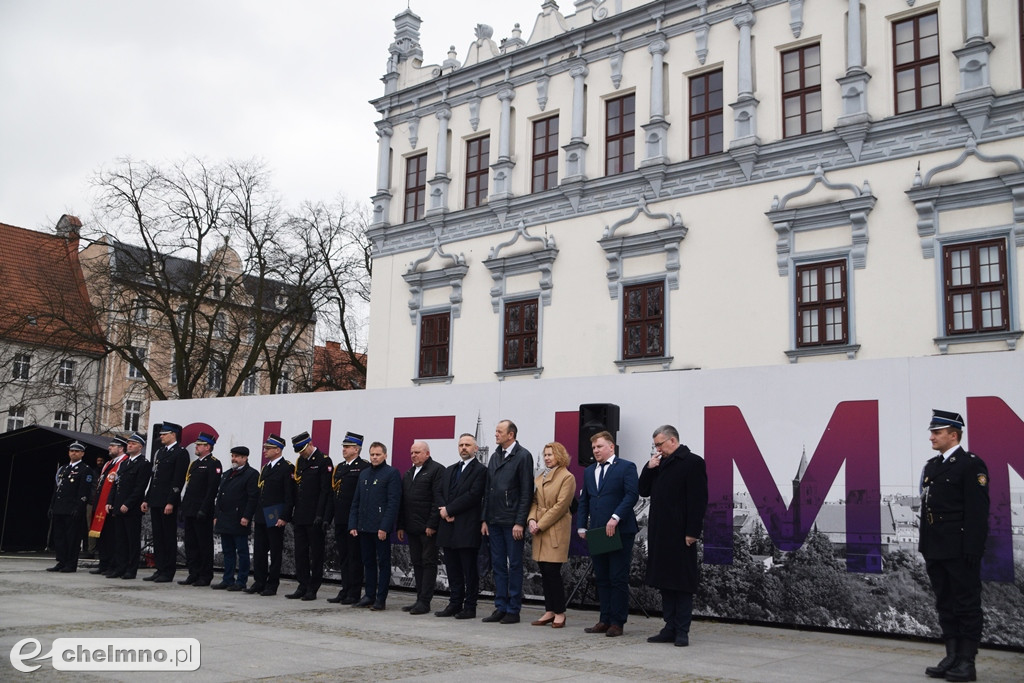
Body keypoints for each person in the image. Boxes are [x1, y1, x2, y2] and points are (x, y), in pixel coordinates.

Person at [919, 409, 989, 682]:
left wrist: (973, 548)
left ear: (953, 435)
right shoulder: (931, 467)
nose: (932, 437)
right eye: (932, 432)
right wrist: (925, 546)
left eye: (937, 432)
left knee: (966, 604)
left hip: (960, 549)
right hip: (935, 548)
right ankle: (951, 656)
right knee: (945, 603)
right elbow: (927, 509)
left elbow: (978, 511)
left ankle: (966, 662)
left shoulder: (971, 465)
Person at [638, 424, 708, 647]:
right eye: (655, 446)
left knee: (682, 583)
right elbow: (643, 490)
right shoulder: (658, 464)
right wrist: (648, 468)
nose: (657, 449)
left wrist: (692, 531)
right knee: (665, 582)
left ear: (673, 441)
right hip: (660, 533)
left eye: (659, 444)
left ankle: (682, 630)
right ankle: (669, 627)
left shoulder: (693, 462)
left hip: (681, 533)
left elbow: (698, 500)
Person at [577, 431, 639, 638]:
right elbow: (585, 500)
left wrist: (615, 517)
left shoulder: (626, 467)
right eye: (593, 447)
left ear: (611, 447)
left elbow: (632, 495)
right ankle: (604, 619)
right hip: (597, 531)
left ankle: (617, 622)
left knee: (617, 577)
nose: (596, 451)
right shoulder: (589, 471)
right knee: (602, 577)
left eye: (599, 446)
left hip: (620, 530)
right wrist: (581, 526)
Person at [481, 419, 533, 624]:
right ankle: (500, 606)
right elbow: (488, 491)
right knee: (498, 565)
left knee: (515, 565)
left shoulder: (523, 456)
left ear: (511, 435)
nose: (496, 434)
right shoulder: (495, 456)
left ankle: (513, 609)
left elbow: (526, 492)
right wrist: (485, 519)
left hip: (512, 522)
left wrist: (520, 522)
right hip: (494, 521)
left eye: (499, 431)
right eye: (495, 431)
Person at [436, 433, 486, 619]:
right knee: (452, 569)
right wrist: (444, 510)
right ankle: (454, 603)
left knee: (469, 570)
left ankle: (470, 606)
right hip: (448, 527)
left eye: (467, 445)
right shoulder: (450, 470)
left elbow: (473, 495)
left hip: (467, 527)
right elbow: (439, 492)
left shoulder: (481, 470)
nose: (464, 448)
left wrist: (450, 510)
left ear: (476, 449)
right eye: (461, 445)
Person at [527, 441, 575, 629]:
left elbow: (561, 506)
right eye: (545, 455)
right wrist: (531, 519)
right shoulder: (540, 476)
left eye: (550, 454)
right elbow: (533, 501)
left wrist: (540, 524)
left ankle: (560, 612)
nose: (547, 458)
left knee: (552, 572)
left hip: (555, 530)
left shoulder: (567, 477)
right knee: (544, 572)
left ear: (559, 456)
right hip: (539, 529)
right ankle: (549, 610)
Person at [349, 441, 401, 611]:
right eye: (372, 454)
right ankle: (369, 595)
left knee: (383, 564)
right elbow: (356, 501)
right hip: (364, 527)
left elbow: (393, 503)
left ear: (385, 455)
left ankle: (380, 599)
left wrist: (385, 527)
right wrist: (353, 524)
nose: (374, 457)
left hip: (380, 529)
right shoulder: (364, 474)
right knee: (368, 562)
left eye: (378, 454)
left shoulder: (391, 473)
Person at [397, 440, 445, 614]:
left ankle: (425, 602)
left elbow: (437, 500)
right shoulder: (409, 473)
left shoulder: (437, 470)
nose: (413, 455)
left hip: (427, 529)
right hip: (412, 527)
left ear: (427, 453)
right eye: (411, 452)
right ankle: (419, 599)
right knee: (416, 563)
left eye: (417, 452)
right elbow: (403, 502)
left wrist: (432, 524)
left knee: (428, 563)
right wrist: (401, 525)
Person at [287, 431, 333, 601]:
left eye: (303, 449)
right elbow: (297, 488)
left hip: (315, 516)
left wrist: (321, 515)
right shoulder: (300, 461)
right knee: (300, 553)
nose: (301, 453)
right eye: (299, 451)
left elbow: (325, 491)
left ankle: (313, 588)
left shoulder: (323, 461)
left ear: (310, 444)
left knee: (316, 554)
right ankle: (302, 584)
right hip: (300, 514)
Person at [248, 433, 295, 596]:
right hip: (262, 513)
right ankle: (259, 581)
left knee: (274, 551)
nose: (265, 451)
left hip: (275, 513)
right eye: (265, 448)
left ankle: (272, 584)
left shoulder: (286, 467)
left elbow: (289, 495)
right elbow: (260, 493)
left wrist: (284, 516)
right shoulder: (266, 468)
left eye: (268, 448)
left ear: (278, 450)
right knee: (259, 550)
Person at [325, 431, 369, 604]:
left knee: (354, 557)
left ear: (356, 449)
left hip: (354, 520)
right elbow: (333, 494)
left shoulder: (363, 467)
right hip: (341, 518)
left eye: (347, 447)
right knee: (343, 556)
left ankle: (354, 592)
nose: (344, 449)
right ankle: (345, 589)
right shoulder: (340, 468)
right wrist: (328, 517)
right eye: (343, 446)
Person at [144, 421, 189, 583]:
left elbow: (178, 480)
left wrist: (171, 501)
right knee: (158, 536)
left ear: (173, 435)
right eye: (161, 434)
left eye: (164, 434)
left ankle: (168, 571)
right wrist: (147, 498)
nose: (161, 437)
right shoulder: (160, 452)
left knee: (168, 536)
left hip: (167, 501)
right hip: (156, 499)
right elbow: (154, 477)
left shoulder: (180, 453)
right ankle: (160, 568)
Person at [212, 445, 260, 591]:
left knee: (242, 551)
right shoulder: (227, 474)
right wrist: (216, 515)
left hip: (239, 518)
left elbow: (252, 498)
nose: (234, 459)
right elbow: (220, 496)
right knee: (227, 551)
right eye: (232, 456)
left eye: (237, 456)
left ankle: (241, 581)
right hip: (225, 518)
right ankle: (227, 579)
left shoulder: (251, 474)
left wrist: (247, 516)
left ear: (245, 458)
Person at [106, 433, 151, 580]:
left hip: (131, 508)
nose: (130, 445)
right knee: (120, 540)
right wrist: (110, 501)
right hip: (119, 506)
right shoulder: (124, 463)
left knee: (132, 540)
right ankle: (120, 567)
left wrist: (128, 503)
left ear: (140, 446)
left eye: (133, 443)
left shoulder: (143, 464)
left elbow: (140, 487)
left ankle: (131, 569)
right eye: (129, 443)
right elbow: (116, 484)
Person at [179, 431, 222, 587]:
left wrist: (204, 509)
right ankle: (193, 573)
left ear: (207, 447)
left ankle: (205, 575)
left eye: (199, 445)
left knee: (203, 544)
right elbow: (189, 488)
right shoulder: (195, 464)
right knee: (190, 543)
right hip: (190, 509)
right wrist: (183, 508)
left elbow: (211, 489)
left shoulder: (213, 463)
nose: (196, 447)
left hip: (202, 511)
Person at [47, 442, 95, 573]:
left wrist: (79, 507)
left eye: (77, 451)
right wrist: (52, 506)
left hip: (72, 509)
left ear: (82, 454)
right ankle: (61, 561)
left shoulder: (85, 469)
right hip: (59, 507)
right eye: (72, 451)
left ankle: (70, 563)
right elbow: (57, 489)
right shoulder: (63, 468)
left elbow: (84, 491)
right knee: (59, 537)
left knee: (72, 538)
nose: (74, 453)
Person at [88, 437, 128, 575]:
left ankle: (112, 564)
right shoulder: (108, 464)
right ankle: (103, 563)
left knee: (112, 537)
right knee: (103, 537)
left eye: (113, 446)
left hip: (112, 506)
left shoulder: (124, 462)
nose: (109, 448)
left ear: (121, 448)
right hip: (101, 504)